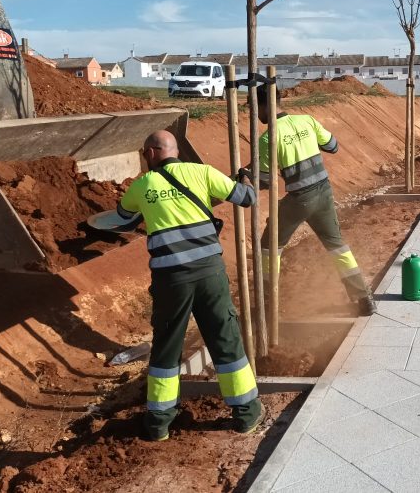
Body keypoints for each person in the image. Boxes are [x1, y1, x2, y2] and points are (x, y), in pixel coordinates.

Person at [116, 129, 264, 442]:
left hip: (171, 281)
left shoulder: (143, 185)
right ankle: (247, 415)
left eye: (145, 154)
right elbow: (247, 198)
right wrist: (245, 177)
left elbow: (123, 216)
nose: (145, 160)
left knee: (167, 346)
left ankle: (158, 424)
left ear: (152, 153)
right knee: (225, 339)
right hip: (210, 274)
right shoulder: (203, 172)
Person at [255, 86, 378, 316]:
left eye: (255, 108)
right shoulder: (307, 121)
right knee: (337, 246)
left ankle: (267, 305)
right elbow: (332, 146)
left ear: (262, 105)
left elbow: (263, 181)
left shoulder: (268, 138)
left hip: (299, 199)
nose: (255, 115)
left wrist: (246, 173)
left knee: (269, 246)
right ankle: (364, 298)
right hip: (324, 194)